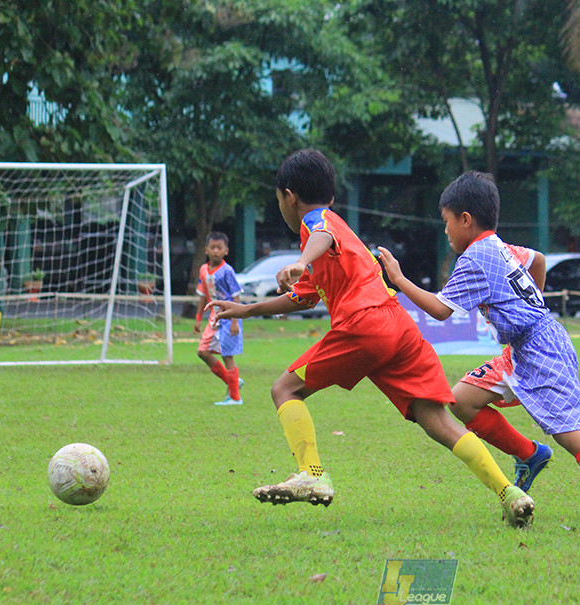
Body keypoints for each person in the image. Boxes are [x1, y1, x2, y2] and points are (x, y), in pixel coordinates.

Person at [205, 148, 534, 528]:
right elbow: (303, 295)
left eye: (279, 198)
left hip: (365, 325)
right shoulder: (338, 234)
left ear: (289, 196)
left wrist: (299, 262)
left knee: (284, 390)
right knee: (436, 420)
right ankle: (509, 493)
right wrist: (246, 309)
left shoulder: (319, 223)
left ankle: (311, 473)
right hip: (398, 327)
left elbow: (320, 235)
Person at [378, 171, 580, 523]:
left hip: (541, 348)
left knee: (567, 433)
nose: (445, 230)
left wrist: (399, 279)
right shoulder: (498, 247)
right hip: (523, 346)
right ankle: (529, 455)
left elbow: (439, 309)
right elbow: (537, 259)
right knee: (463, 400)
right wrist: (531, 309)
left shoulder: (475, 257)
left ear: (465, 219)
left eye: (447, 222)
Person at [194, 232, 244, 406]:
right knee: (203, 352)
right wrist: (198, 319)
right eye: (212, 247)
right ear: (206, 249)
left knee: (227, 355)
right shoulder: (202, 270)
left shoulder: (227, 271)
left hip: (229, 317)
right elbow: (202, 296)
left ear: (226, 251)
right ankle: (233, 383)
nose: (216, 251)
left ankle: (235, 398)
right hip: (214, 319)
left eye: (219, 248)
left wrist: (236, 321)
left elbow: (236, 295)